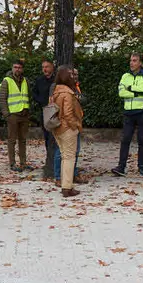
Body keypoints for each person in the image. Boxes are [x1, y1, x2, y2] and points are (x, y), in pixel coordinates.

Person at [113, 52, 143, 176]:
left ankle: (141, 166)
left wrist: (130, 89)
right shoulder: (125, 76)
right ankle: (121, 166)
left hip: (142, 111)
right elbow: (121, 93)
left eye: (135, 60)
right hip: (128, 112)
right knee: (125, 140)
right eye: (131, 60)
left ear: (140, 63)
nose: (131, 63)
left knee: (142, 140)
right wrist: (135, 93)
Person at [51, 66, 85, 197]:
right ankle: (67, 187)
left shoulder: (56, 91)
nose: (73, 76)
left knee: (65, 157)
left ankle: (66, 185)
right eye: (70, 74)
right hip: (67, 129)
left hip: (57, 128)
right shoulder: (68, 93)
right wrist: (75, 126)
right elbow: (69, 114)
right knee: (69, 158)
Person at [0, 60, 32, 172]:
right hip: (12, 114)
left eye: (19, 67)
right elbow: (2, 99)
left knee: (23, 140)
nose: (17, 69)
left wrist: (28, 110)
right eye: (15, 67)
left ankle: (23, 163)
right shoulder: (6, 81)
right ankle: (12, 163)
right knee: (12, 140)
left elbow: (28, 95)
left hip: (24, 113)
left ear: (22, 69)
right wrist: (6, 114)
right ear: (12, 68)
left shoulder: (25, 81)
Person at [33, 59, 57, 180]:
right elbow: (34, 94)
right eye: (43, 67)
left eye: (47, 67)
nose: (45, 69)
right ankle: (49, 157)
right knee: (47, 137)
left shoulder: (57, 80)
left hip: (56, 111)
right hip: (44, 111)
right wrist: (42, 102)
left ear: (52, 67)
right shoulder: (39, 80)